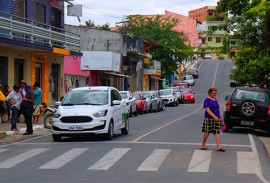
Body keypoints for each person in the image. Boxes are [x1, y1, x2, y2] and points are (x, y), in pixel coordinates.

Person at [201, 87, 225, 152]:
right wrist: (214, 116)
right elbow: (207, 109)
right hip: (209, 118)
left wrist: (219, 117)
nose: (214, 94)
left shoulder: (215, 99)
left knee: (217, 132)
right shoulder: (207, 100)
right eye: (213, 93)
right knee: (207, 131)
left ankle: (218, 146)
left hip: (217, 118)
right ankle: (203, 144)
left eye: (215, 93)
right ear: (209, 93)